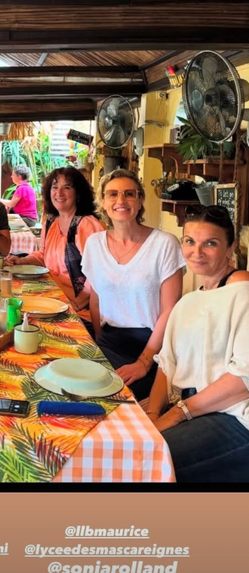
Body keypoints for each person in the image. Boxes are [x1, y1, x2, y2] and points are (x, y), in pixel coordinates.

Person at [148, 205, 249, 482]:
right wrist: (153, 414)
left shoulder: (243, 292)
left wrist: (177, 414)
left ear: (231, 249)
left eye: (211, 244)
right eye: (190, 241)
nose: (197, 252)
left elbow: (243, 380)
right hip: (190, 407)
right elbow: (166, 365)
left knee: (144, 460)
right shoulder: (189, 300)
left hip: (234, 416)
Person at [81, 168, 185, 401]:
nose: (121, 200)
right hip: (108, 342)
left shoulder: (164, 244)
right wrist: (99, 344)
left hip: (151, 347)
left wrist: (144, 362)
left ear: (140, 201)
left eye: (129, 194)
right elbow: (96, 298)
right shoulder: (95, 244)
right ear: (103, 202)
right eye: (112, 194)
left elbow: (170, 309)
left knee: (111, 400)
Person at [7, 166, 102, 324]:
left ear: (78, 193)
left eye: (67, 188)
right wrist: (21, 261)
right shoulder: (51, 221)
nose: (59, 193)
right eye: (55, 187)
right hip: (54, 298)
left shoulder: (86, 225)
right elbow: (43, 254)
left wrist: (79, 302)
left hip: (81, 311)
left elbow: (99, 273)